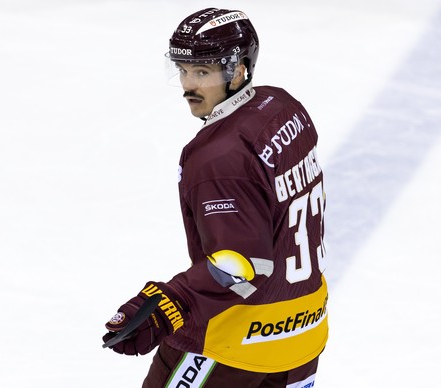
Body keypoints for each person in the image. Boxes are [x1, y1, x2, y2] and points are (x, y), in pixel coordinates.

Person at [103, 8, 329, 387]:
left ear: (238, 70)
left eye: (203, 72)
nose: (188, 85)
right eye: (184, 70)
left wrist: (173, 303)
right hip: (303, 333)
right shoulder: (285, 109)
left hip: (232, 344)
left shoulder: (218, 157)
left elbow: (242, 264)